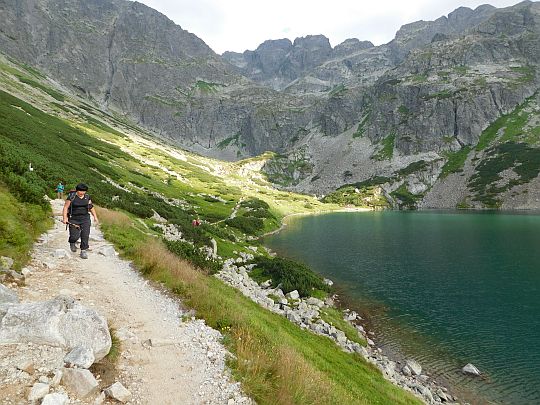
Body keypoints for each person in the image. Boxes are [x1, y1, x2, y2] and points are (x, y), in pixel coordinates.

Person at [62, 183, 98, 259]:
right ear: (77, 190)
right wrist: (65, 218)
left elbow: (91, 207)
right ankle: (72, 242)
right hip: (74, 219)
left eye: (84, 191)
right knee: (74, 236)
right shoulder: (71, 197)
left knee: (85, 235)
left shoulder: (87, 197)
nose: (82, 193)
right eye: (80, 191)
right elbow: (65, 207)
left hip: (85, 219)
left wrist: (95, 216)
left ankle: (83, 250)